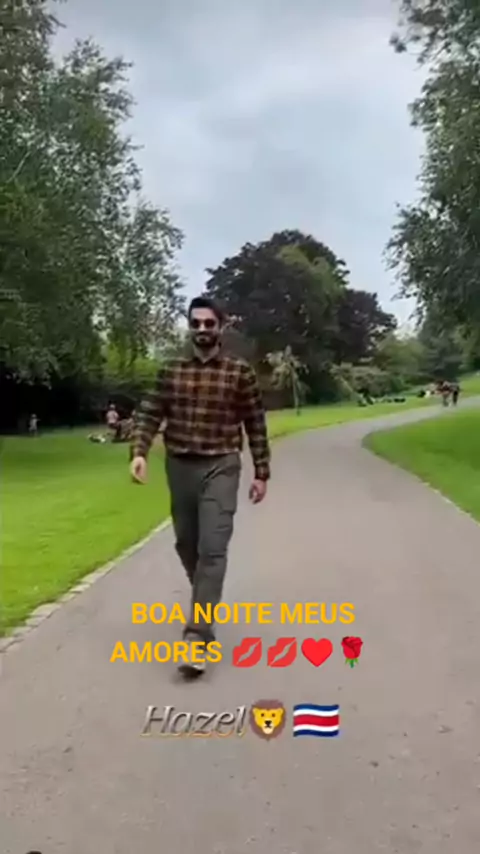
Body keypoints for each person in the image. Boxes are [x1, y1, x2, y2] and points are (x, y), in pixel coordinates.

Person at [130, 295, 271, 677]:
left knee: (213, 548)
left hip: (222, 464)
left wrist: (261, 471)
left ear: (221, 327)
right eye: (196, 323)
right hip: (180, 466)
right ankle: (205, 600)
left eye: (209, 323)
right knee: (186, 544)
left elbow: (255, 423)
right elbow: (150, 412)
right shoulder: (171, 369)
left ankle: (197, 637)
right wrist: (139, 452)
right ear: (190, 326)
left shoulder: (238, 372)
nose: (202, 329)